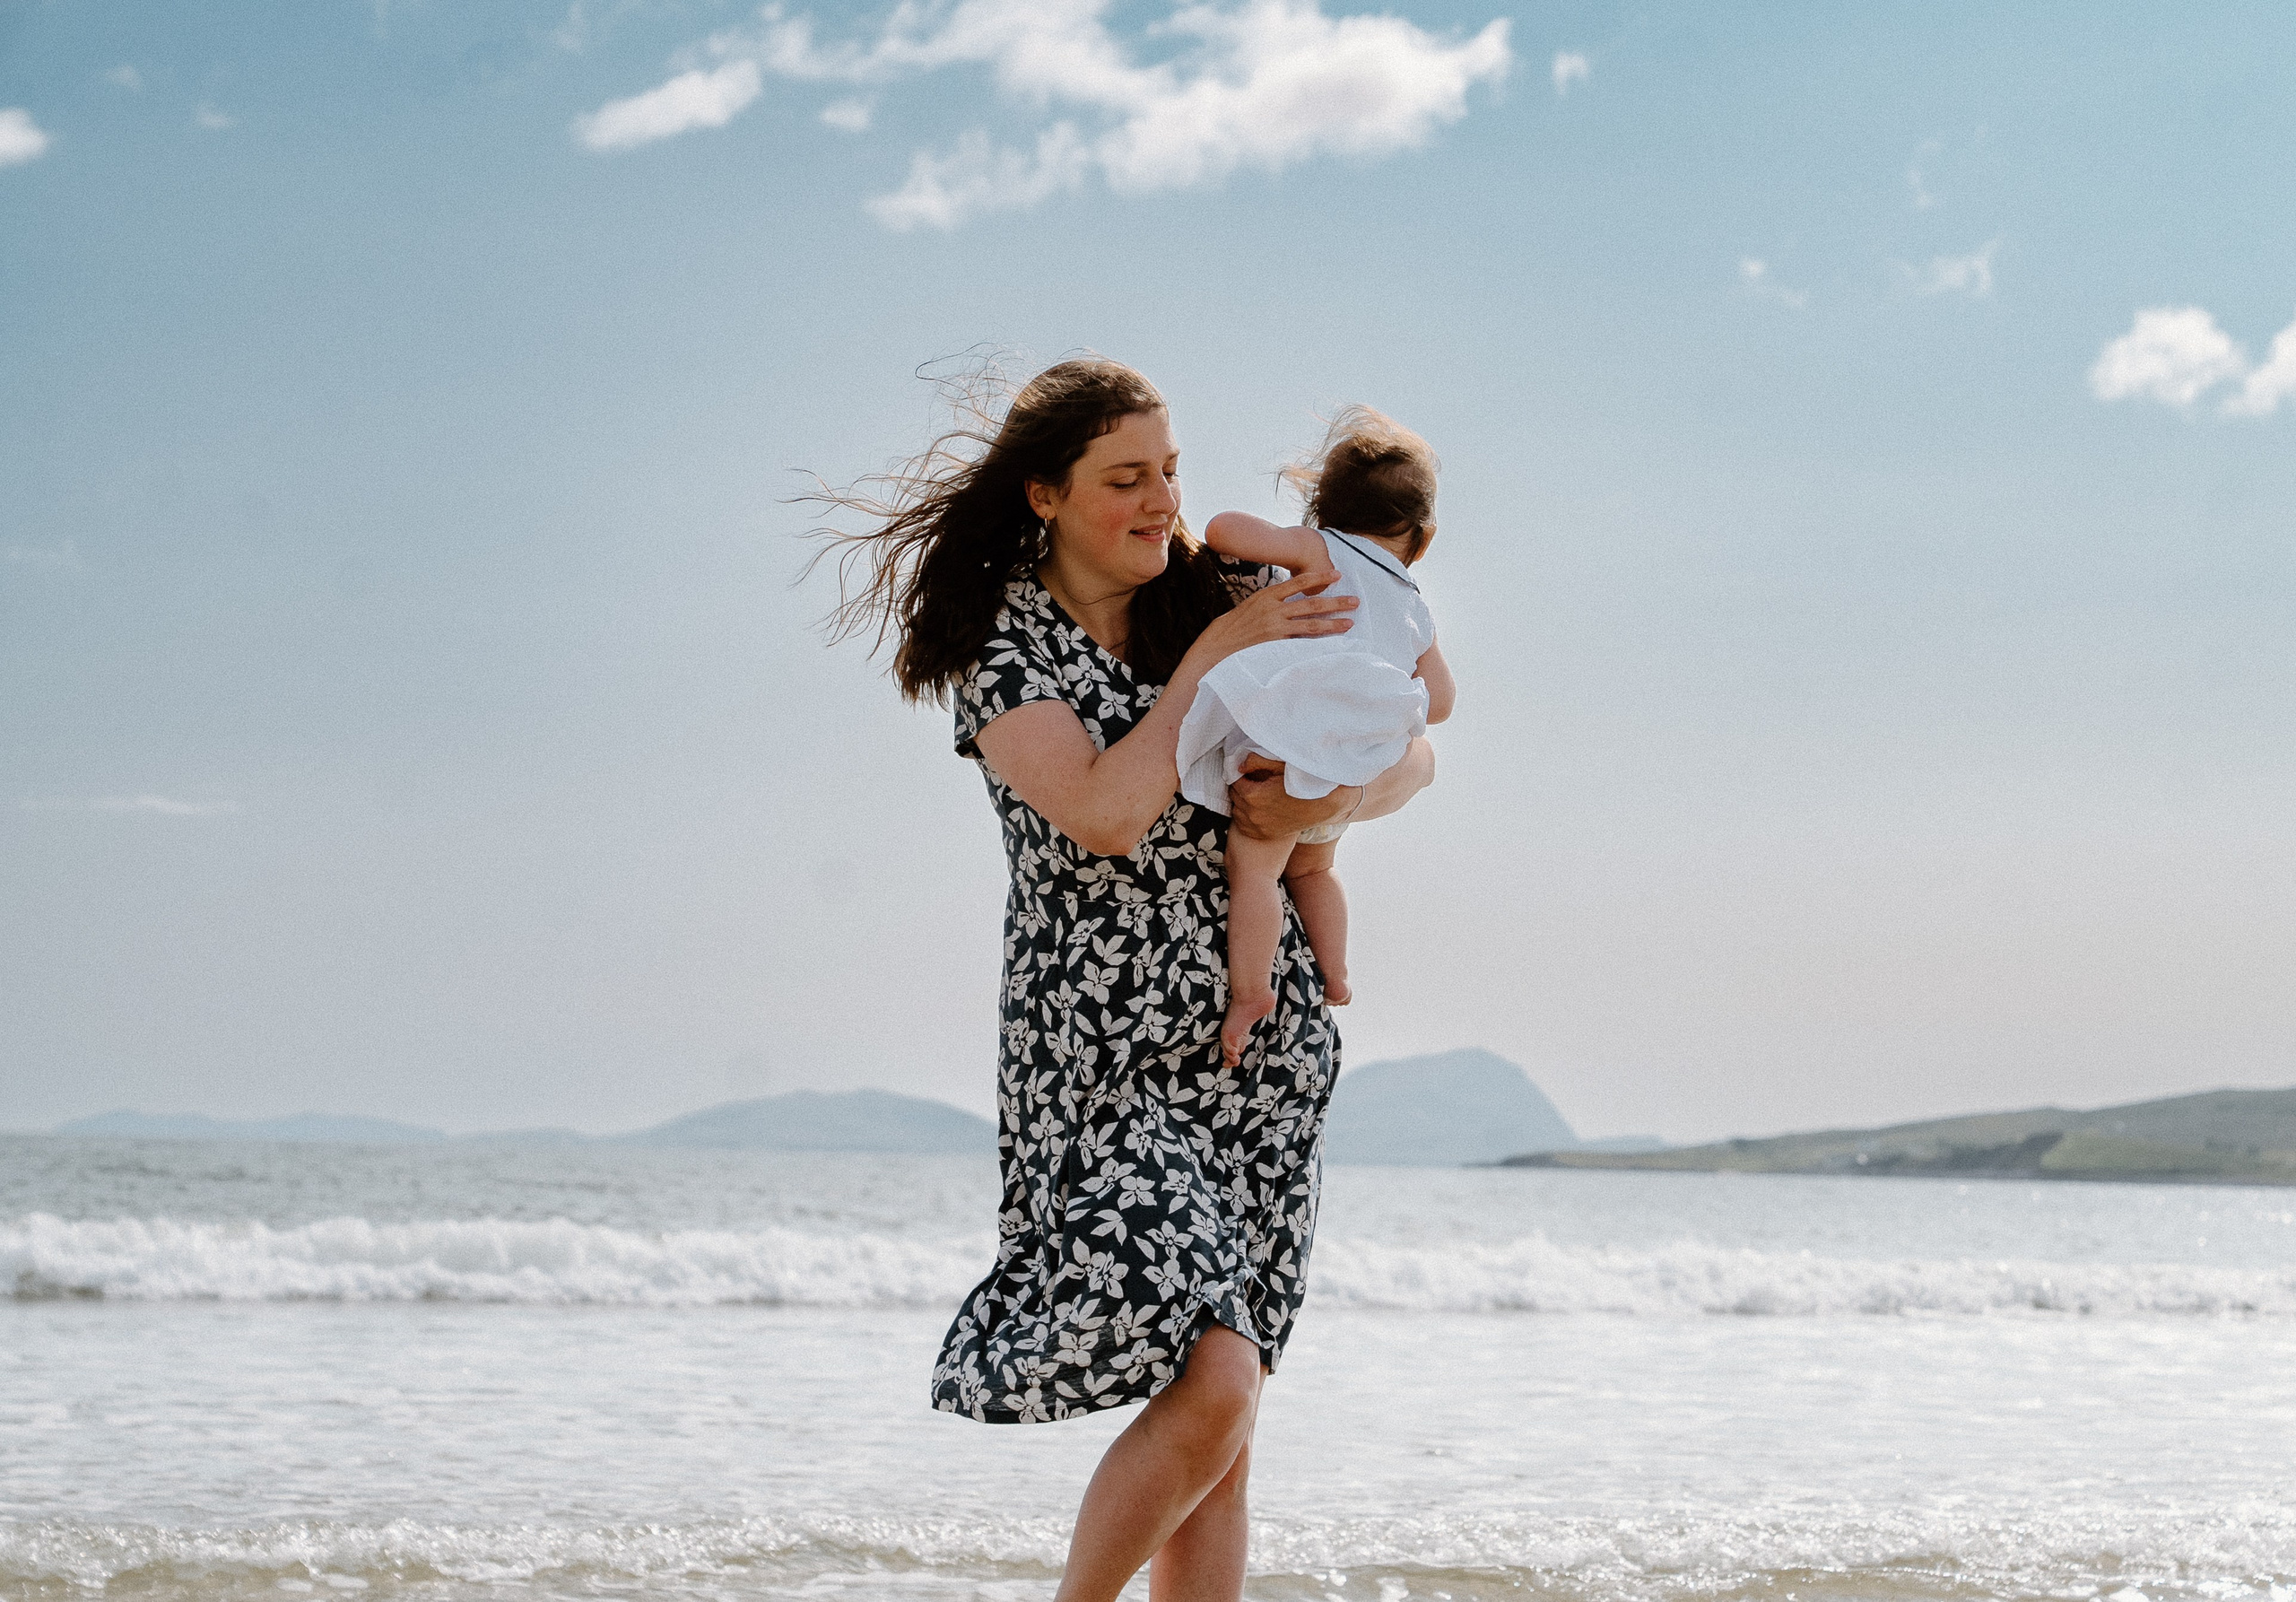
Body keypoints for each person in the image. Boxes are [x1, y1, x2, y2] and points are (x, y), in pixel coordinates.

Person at [811, 356, 1434, 1602]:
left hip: (1258, 1052)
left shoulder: (1228, 585)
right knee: (1213, 1379)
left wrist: (1326, 793)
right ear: (1046, 494)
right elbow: (1102, 811)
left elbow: (1414, 739)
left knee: (1229, 1414)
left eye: (1171, 471)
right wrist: (1212, 660)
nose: (1163, 502)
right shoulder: (1004, 648)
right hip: (1095, 1060)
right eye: (1126, 478)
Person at [1176, 407, 1457, 1066]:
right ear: (1424, 537)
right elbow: (1439, 703)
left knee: (1255, 872)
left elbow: (1221, 532)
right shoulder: (1415, 605)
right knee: (1317, 868)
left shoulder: (1322, 550)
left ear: (1322, 512)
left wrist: (1292, 542)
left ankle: (1249, 992)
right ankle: (1335, 974)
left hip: (1283, 748)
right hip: (1351, 766)